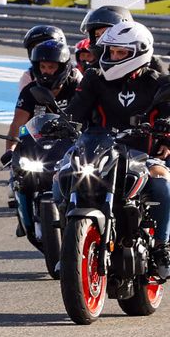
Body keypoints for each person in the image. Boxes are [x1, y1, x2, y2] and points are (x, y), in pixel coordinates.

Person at [64, 21, 170, 277]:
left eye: (121, 53)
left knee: (161, 179)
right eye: (111, 52)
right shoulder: (94, 78)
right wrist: (61, 124)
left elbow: (168, 112)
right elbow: (76, 110)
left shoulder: (159, 82)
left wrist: (166, 136)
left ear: (139, 52)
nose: (114, 57)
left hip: (141, 153)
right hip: (97, 148)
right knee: (62, 173)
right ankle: (66, 235)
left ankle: (161, 246)